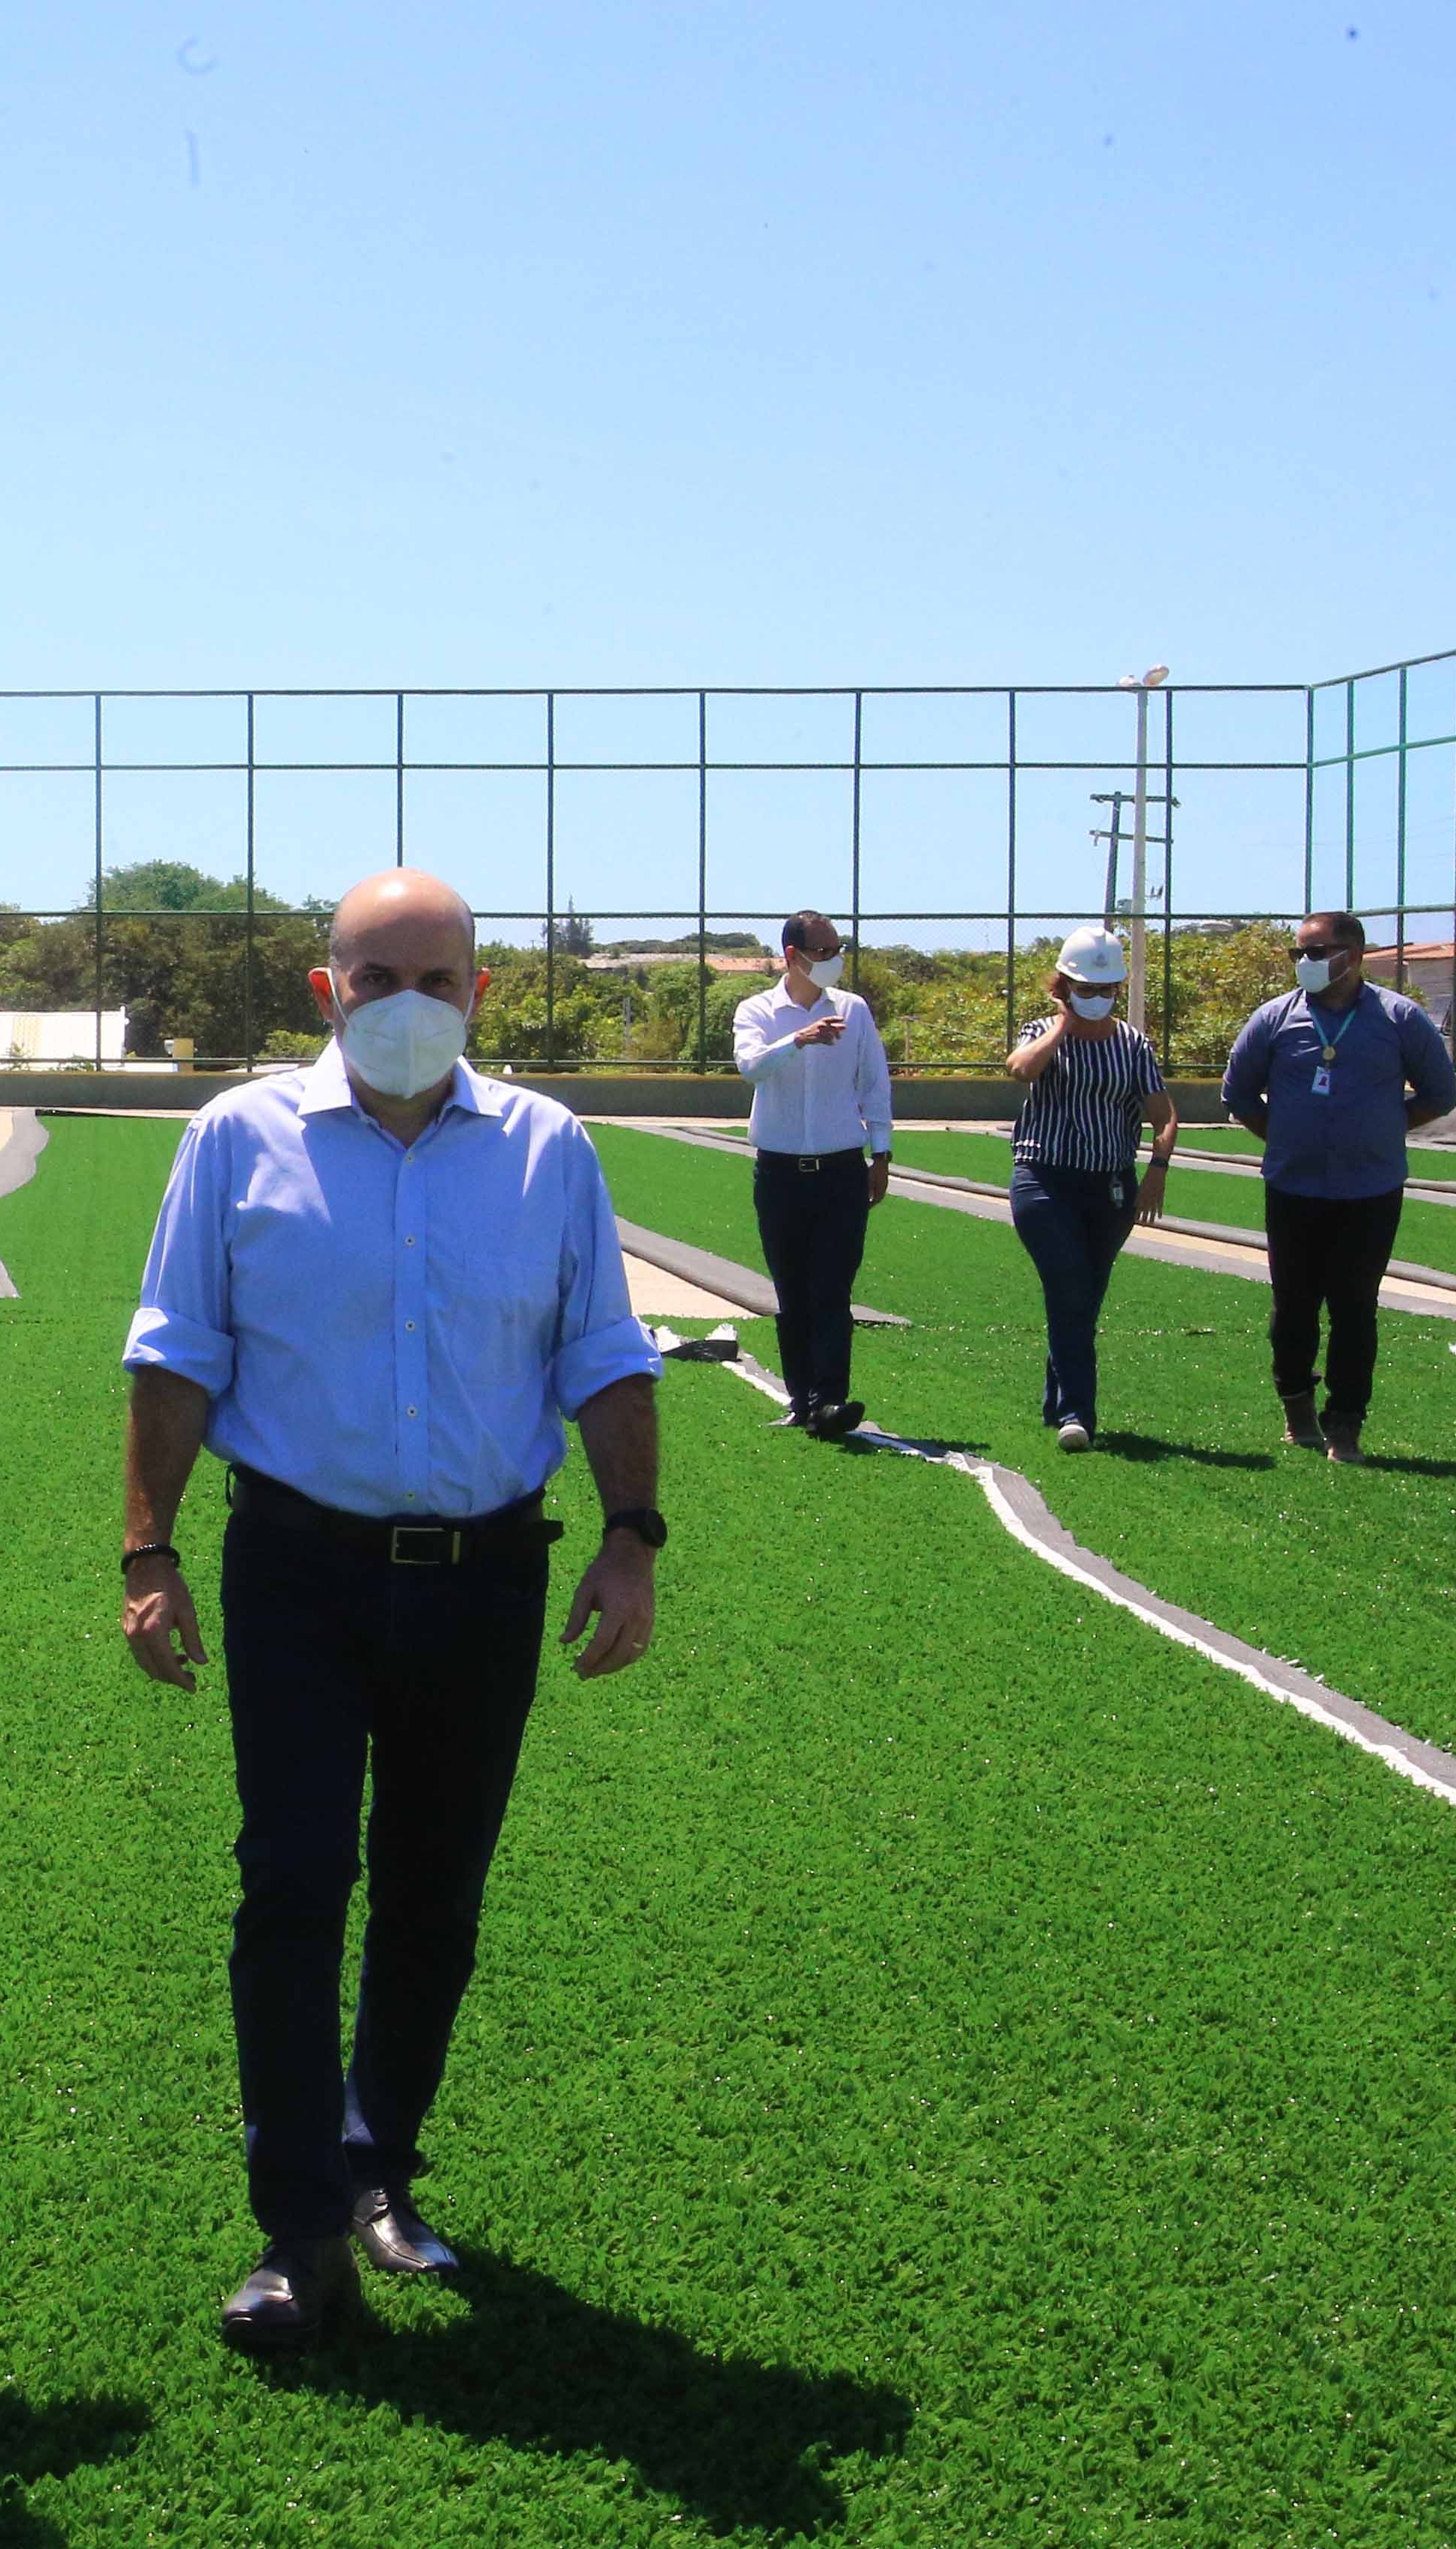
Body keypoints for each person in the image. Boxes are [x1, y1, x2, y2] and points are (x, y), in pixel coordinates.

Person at [113, 867, 664, 2353]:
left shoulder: (549, 1151)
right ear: (326, 992)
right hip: (295, 1567)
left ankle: (379, 2167)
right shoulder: (239, 1140)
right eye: (377, 979)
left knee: (435, 1891)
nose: (408, 1006)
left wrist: (632, 1537)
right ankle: (297, 2230)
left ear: (482, 991)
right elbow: (174, 1353)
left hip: (486, 1574)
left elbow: (604, 1350)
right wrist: (146, 1552)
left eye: (438, 979)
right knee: (292, 1879)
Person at [1219, 911, 1456, 1464]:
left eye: (1317, 952)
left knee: (1355, 1308)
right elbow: (1238, 1093)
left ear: (1354, 954)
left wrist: (1385, 1127)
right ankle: (1297, 1406)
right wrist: (1280, 1137)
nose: (1305, 963)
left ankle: (1346, 1422)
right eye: (1298, 954)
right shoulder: (1275, 1018)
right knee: (1294, 1304)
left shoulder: (1399, 1018)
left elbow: (1440, 1094)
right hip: (1294, 1187)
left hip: (1369, 1189)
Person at [1003, 926, 1178, 1452]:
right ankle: (1078, 1413)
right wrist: (1062, 1025)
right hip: (1044, 1179)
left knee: (1085, 1297)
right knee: (1068, 1285)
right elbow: (1019, 1070)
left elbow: (1164, 1115)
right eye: (1085, 988)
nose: (1096, 998)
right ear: (1063, 985)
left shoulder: (1133, 1044)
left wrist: (1157, 1169)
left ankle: (1058, 1397)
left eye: (1106, 990)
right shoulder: (1040, 1030)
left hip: (1110, 1188)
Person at [728, 910, 895, 1436]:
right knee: (792, 1291)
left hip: (841, 1171)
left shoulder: (855, 1012)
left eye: (837, 948)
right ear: (793, 957)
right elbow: (751, 1066)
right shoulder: (756, 1011)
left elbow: (875, 1083)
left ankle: (830, 1400)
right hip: (778, 1174)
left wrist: (882, 1155)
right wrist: (800, 1039)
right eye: (824, 951)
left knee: (832, 1288)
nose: (834, 959)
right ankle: (801, 1400)